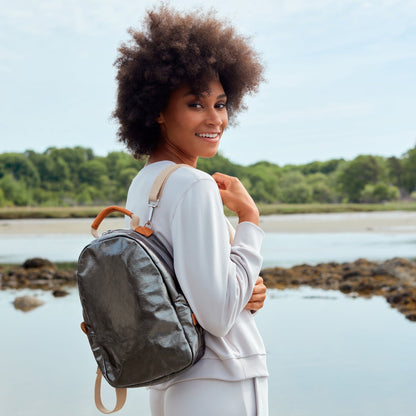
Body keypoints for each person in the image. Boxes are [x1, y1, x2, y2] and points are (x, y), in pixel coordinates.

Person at [113, 5, 268, 416]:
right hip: (219, 378)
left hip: (170, 379)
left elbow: (182, 287)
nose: (215, 118)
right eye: (196, 104)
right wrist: (249, 222)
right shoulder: (194, 184)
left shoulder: (146, 182)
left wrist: (244, 284)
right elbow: (216, 315)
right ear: (158, 111)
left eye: (221, 103)